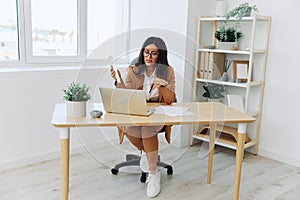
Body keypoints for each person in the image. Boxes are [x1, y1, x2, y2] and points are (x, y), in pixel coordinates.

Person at [110, 36, 176, 198]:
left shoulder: (168, 71)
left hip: (157, 113)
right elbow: (126, 95)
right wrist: (118, 82)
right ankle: (149, 157)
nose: (149, 56)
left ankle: (153, 174)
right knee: (130, 127)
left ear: (160, 55)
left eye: (154, 53)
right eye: (146, 52)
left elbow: (170, 100)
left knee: (147, 129)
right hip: (135, 112)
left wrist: (165, 85)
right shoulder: (133, 71)